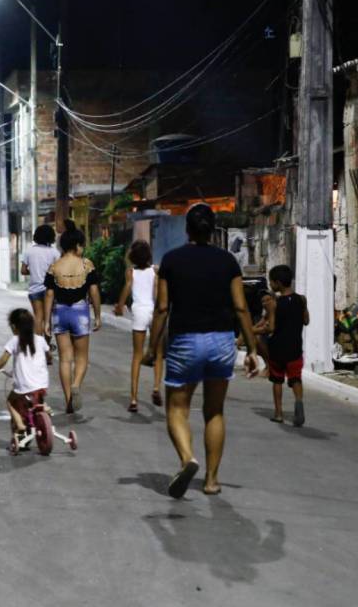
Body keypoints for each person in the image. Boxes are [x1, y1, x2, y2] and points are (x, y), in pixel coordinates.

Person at [144, 203, 259, 498]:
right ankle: (211, 481)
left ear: (187, 229)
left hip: (185, 342)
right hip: (222, 341)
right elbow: (240, 306)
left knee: (177, 409)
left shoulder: (171, 260)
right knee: (215, 411)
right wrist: (252, 347)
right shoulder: (228, 262)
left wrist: (151, 346)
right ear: (213, 229)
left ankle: (187, 459)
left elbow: (162, 307)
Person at [43, 227, 102, 414]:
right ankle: (76, 385)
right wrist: (98, 315)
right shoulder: (87, 265)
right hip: (80, 313)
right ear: (77, 245)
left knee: (65, 359)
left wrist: (46, 322)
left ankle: (69, 399)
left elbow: (49, 295)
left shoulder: (55, 266)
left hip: (60, 313)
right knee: (82, 357)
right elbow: (93, 292)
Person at [0, 308, 50, 450]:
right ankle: (44, 410)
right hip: (42, 385)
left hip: (25, 387)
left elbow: (2, 361)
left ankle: (19, 423)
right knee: (36, 401)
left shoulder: (14, 340)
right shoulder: (41, 340)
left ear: (14, 327)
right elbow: (47, 357)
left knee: (11, 401)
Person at [114, 240, 164, 412]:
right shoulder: (155, 270)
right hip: (154, 312)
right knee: (158, 353)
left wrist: (119, 305)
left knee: (137, 355)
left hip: (139, 313)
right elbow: (157, 293)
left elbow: (127, 288)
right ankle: (156, 387)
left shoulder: (130, 272)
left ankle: (134, 399)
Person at [261, 265, 309, 426]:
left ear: (278, 283)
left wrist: (258, 330)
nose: (270, 285)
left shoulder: (274, 303)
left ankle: (279, 413)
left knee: (277, 380)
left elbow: (272, 327)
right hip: (295, 347)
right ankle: (299, 402)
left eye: (271, 282)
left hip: (278, 348)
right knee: (296, 378)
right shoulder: (301, 299)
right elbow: (306, 321)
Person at [21, 225, 61, 356]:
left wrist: (32, 270)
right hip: (51, 290)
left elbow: (23, 270)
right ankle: (47, 350)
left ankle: (38, 350)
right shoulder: (55, 253)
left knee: (38, 318)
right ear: (51, 237)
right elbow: (59, 272)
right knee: (48, 319)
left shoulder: (29, 252)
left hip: (34, 289)